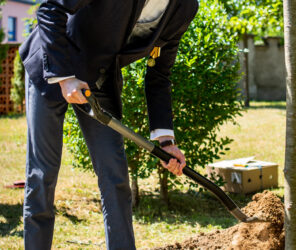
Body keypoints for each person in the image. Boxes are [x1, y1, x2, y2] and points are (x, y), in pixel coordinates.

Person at [19, 0, 199, 249]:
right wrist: (65, 77)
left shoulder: (184, 7)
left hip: (98, 78)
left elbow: (159, 72)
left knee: (115, 178)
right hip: (51, 65)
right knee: (43, 175)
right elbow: (50, 9)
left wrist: (166, 141)